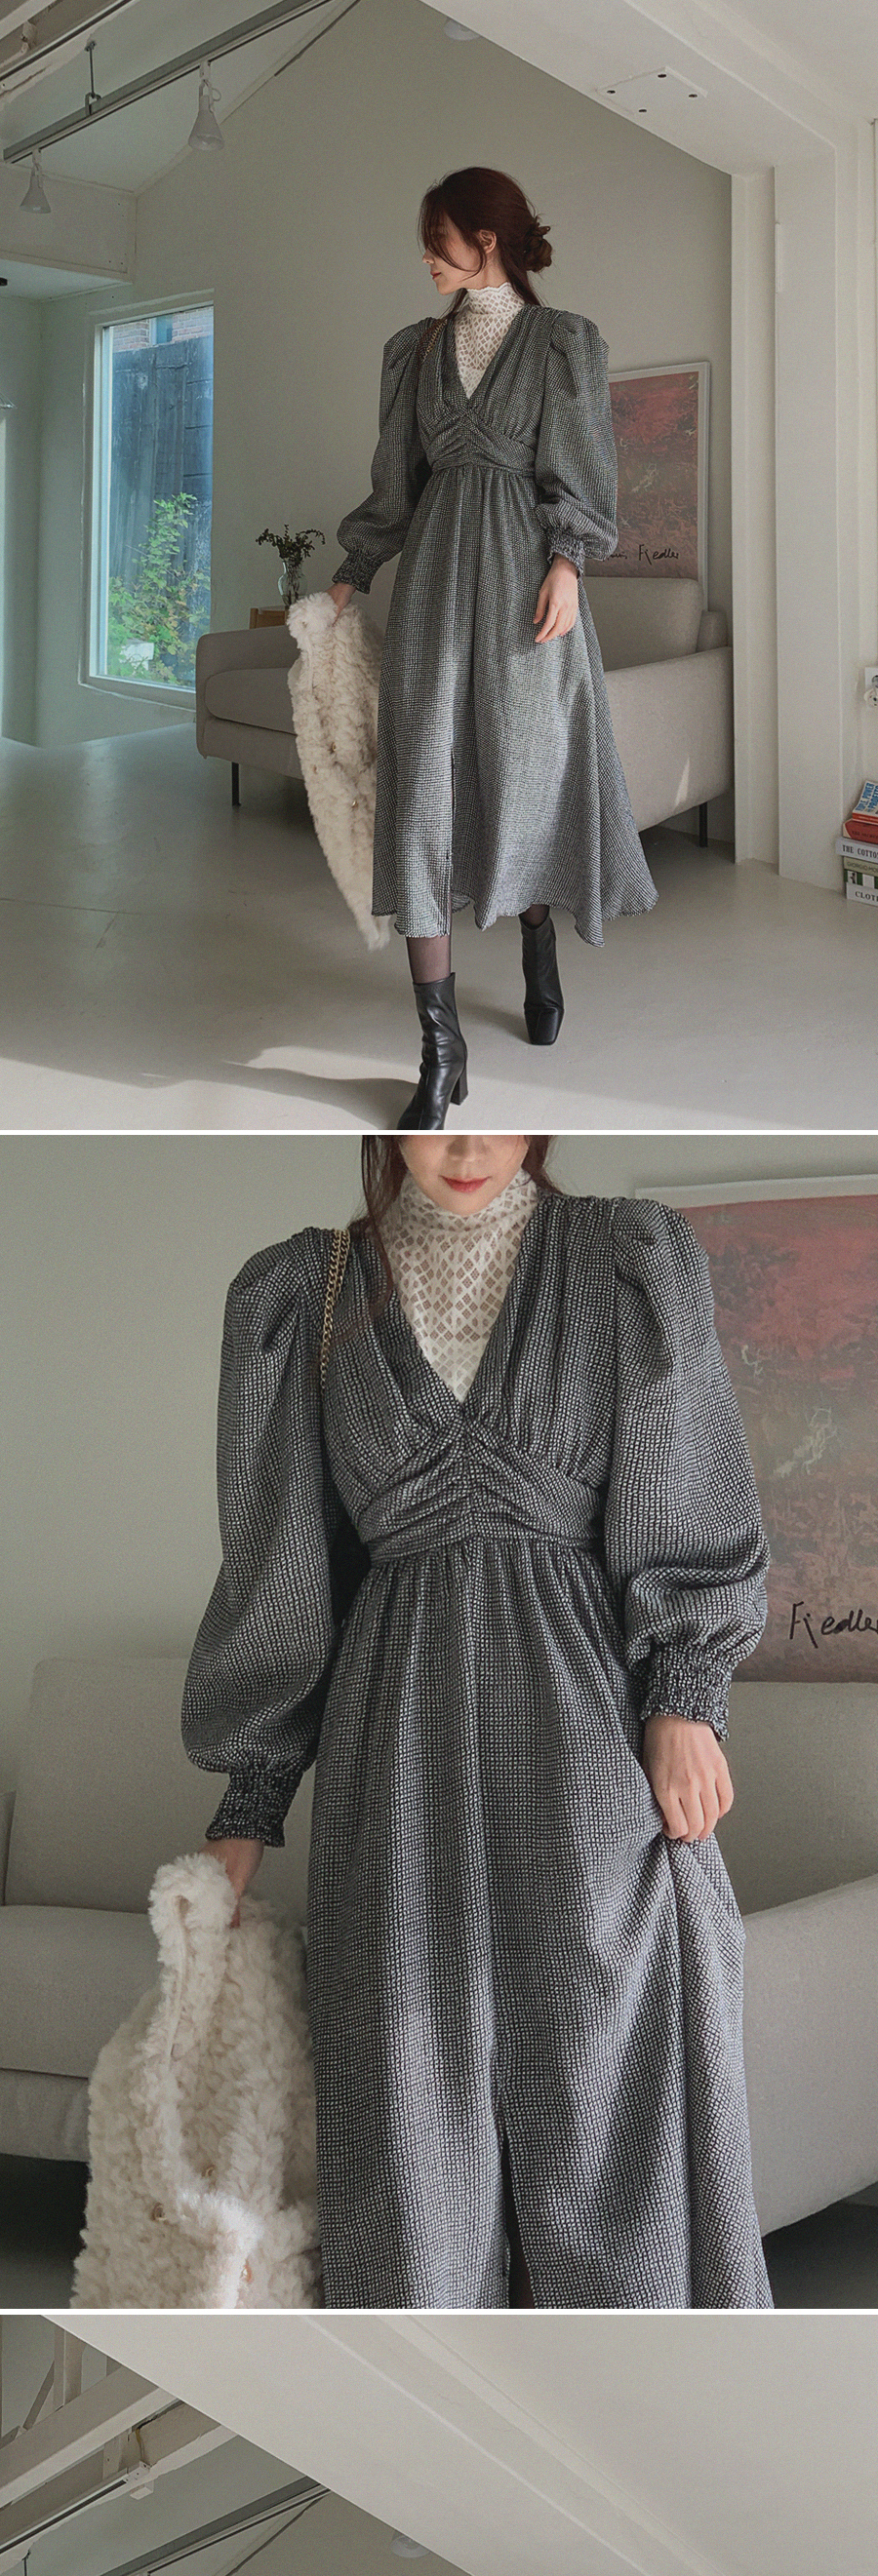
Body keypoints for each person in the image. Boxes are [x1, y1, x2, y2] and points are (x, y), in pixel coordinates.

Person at [181, 1132, 772, 2314]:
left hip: (583, 1733)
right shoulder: (305, 1291)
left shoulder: (623, 1258)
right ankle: (431, 2410)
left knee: (603, 2092)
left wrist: (683, 1699)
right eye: (437, 1112)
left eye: (502, 1112)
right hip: (390, 1748)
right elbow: (282, 1565)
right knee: (402, 2098)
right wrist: (250, 1796)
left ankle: (627, 2401)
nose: (465, 1142)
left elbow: (683, 1484)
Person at [329, 166, 656, 1124]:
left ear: (487, 239)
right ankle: (440, 1049)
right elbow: (395, 484)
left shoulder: (562, 343)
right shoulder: (414, 350)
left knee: (523, 776)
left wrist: (569, 563)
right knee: (421, 793)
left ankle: (537, 944)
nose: (426, 260)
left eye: (438, 240)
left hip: (526, 589)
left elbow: (582, 474)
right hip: (434, 586)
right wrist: (354, 569)